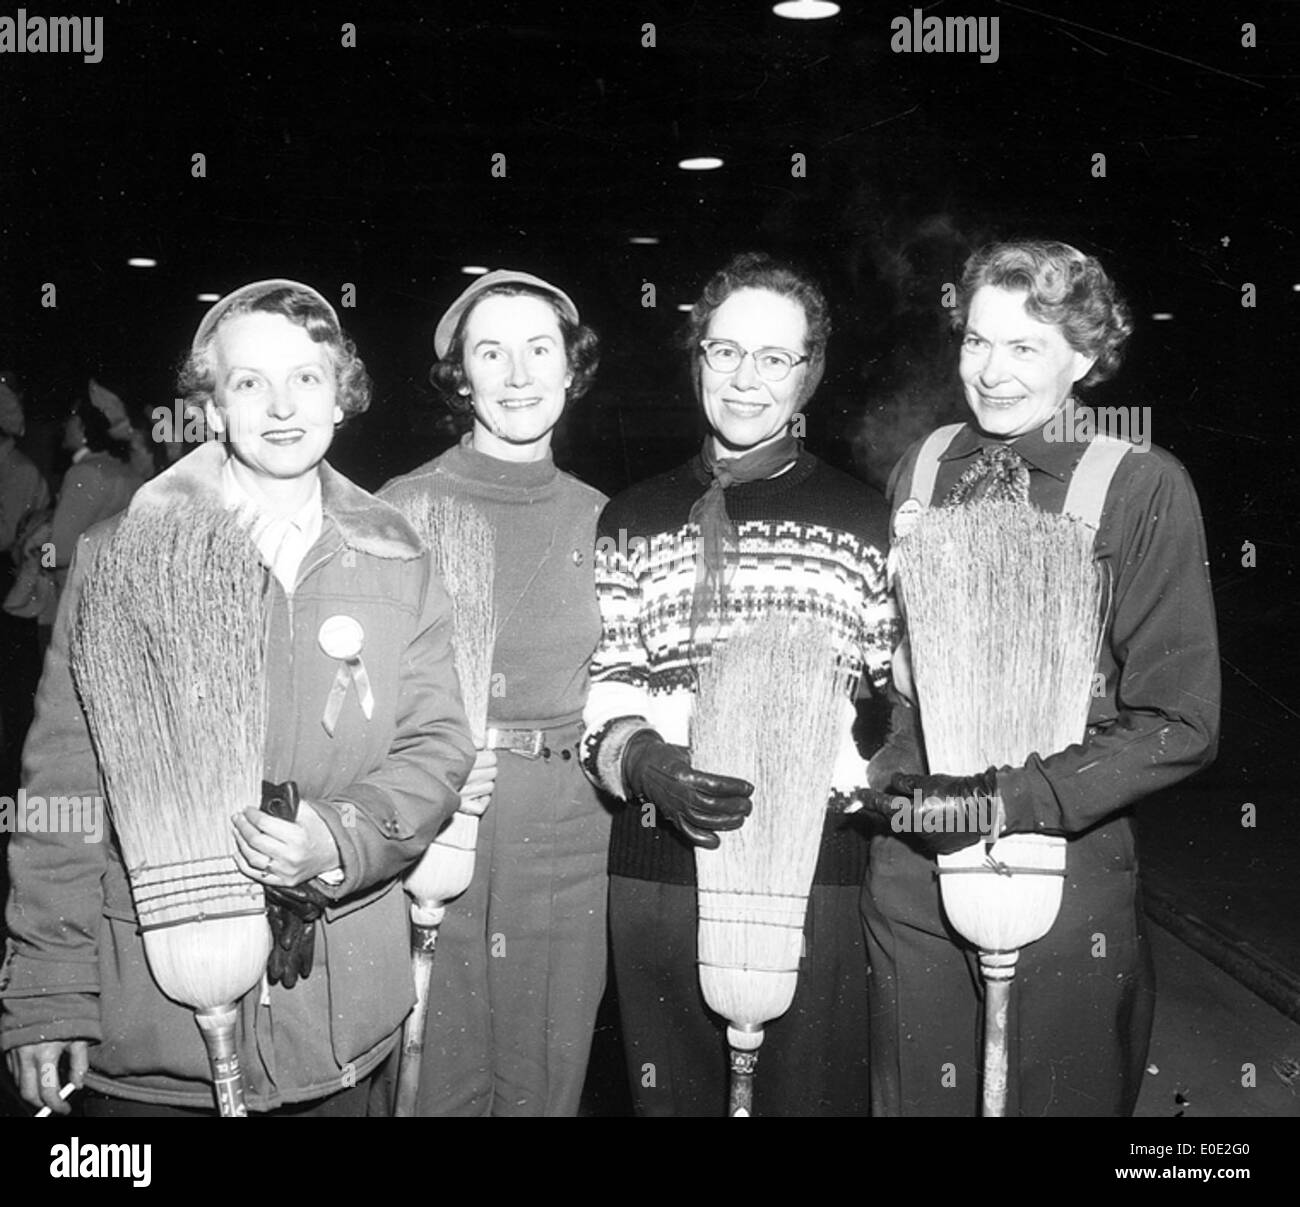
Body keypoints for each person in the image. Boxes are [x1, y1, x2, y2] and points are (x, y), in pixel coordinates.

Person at [1, 279, 476, 1116]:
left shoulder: (398, 555)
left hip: (340, 1022)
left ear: (342, 397)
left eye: (307, 378)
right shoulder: (124, 557)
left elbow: (437, 745)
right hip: (163, 1024)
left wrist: (337, 835)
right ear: (213, 404)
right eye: (250, 382)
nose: (282, 405)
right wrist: (47, 986)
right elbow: (64, 789)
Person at [858, 239, 1220, 1116]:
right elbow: (891, 660)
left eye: (1025, 347)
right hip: (912, 863)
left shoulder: (1141, 486)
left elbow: (1182, 720)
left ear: (1087, 355)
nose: (991, 372)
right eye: (976, 341)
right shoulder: (928, 464)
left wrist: (1002, 800)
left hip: (1062, 860)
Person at [580, 251, 896, 1116]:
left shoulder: (866, 520)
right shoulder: (633, 515)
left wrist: (847, 782)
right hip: (658, 871)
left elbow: (892, 705)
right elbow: (608, 678)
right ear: (697, 360)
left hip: (814, 878)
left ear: (810, 376)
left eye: (775, 358)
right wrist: (641, 759)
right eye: (725, 352)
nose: (746, 379)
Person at [379, 269, 611, 1116]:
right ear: (461, 378)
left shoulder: (604, 518)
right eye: (492, 351)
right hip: (436, 815)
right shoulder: (400, 510)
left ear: (570, 367)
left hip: (568, 829)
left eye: (538, 349)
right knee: (432, 1076)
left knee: (543, 1081)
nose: (518, 375)